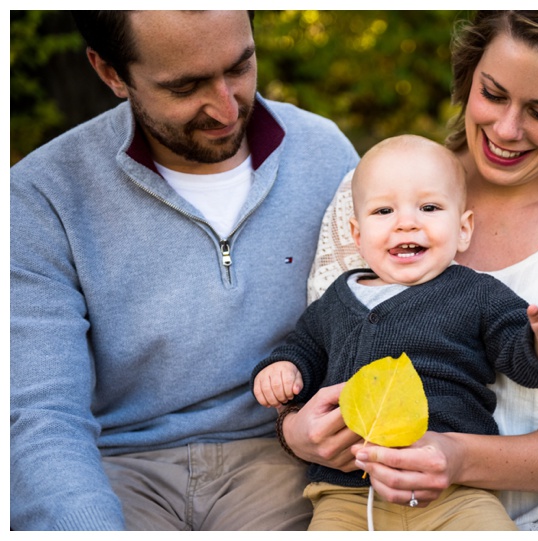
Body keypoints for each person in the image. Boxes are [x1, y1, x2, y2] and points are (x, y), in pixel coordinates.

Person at [281, 10, 538, 531]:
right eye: (493, 94)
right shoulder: (377, 193)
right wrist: (295, 430)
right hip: (369, 506)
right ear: (469, 78)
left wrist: (458, 458)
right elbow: (321, 351)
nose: (507, 130)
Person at [10, 10, 359, 531]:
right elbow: (42, 417)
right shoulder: (41, 197)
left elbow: (377, 320)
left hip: (281, 457)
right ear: (110, 73)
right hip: (115, 466)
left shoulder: (325, 154)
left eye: (240, 67)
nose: (225, 108)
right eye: (185, 86)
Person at [251, 135, 538, 531]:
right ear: (358, 236)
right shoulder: (338, 298)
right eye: (384, 210)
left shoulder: (474, 292)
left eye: (429, 207)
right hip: (347, 493)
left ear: (463, 229)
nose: (406, 222)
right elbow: (304, 346)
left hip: (455, 492)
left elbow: (519, 356)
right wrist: (284, 368)